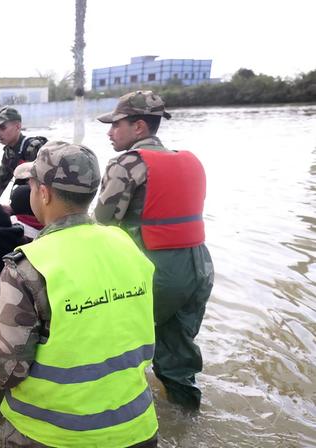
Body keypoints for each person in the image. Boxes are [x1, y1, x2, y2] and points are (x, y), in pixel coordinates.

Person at [0, 142, 159, 448]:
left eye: (31, 185)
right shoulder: (125, 243)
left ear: (43, 193)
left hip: (54, 435)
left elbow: (4, 370)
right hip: (138, 428)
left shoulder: (27, 265)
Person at [94, 90, 214, 410]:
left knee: (118, 344)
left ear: (139, 128)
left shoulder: (126, 163)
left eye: (116, 124)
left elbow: (103, 223)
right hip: (200, 266)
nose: (109, 132)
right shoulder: (190, 160)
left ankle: (120, 419)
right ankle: (186, 414)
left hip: (158, 270)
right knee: (178, 354)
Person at [0, 106, 47, 201]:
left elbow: (42, 187)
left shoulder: (33, 148)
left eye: (2, 128)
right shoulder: (9, 153)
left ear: (18, 126)